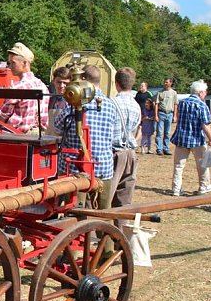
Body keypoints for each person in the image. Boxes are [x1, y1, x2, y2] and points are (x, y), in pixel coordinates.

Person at [54, 64, 116, 209]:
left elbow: (57, 127)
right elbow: (116, 137)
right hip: (103, 166)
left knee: (75, 212)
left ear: (82, 79)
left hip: (74, 169)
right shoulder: (111, 105)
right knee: (104, 213)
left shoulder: (71, 104)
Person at [170, 80, 211, 196]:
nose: (205, 94)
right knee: (203, 164)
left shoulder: (182, 103)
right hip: (197, 139)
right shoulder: (202, 105)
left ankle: (176, 189)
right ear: (200, 92)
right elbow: (205, 125)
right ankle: (204, 186)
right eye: (205, 91)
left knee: (178, 166)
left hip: (181, 138)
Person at [109, 67, 142, 221]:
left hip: (115, 153)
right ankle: (120, 230)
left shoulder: (111, 103)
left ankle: (102, 231)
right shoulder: (136, 106)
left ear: (116, 83)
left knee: (106, 197)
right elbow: (135, 130)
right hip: (131, 153)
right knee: (124, 198)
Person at [0, 42, 49, 133]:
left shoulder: (17, 87)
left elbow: (3, 115)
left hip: (18, 136)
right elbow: (44, 120)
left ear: (25, 63)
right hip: (38, 135)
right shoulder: (43, 86)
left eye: (13, 63)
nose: (10, 66)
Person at [154, 78, 178, 155]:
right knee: (159, 132)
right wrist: (156, 115)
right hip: (161, 113)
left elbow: (175, 104)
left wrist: (175, 116)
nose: (165, 83)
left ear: (170, 83)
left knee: (167, 132)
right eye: (164, 82)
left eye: (167, 82)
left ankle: (166, 148)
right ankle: (159, 149)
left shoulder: (174, 93)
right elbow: (156, 104)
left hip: (170, 114)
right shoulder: (160, 92)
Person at [46, 66, 71, 135]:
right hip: (49, 137)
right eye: (59, 82)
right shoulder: (49, 99)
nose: (62, 86)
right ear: (53, 81)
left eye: (65, 83)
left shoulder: (71, 102)